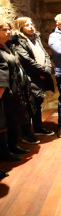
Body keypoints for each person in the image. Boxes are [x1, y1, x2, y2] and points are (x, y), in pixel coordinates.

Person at [13, 17, 55, 143]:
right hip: (30, 77)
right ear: (20, 28)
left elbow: (45, 54)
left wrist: (47, 69)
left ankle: (38, 127)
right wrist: (43, 72)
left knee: (37, 103)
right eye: (27, 25)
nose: (31, 26)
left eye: (32, 24)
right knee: (28, 105)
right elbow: (26, 60)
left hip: (41, 75)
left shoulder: (36, 37)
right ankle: (27, 133)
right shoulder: (19, 41)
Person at [0, 17, 33, 162]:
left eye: (9, 29)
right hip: (6, 91)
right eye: (4, 29)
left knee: (14, 119)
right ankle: (5, 151)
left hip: (15, 88)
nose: (8, 32)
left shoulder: (8, 46)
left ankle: (13, 145)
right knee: (5, 122)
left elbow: (17, 36)